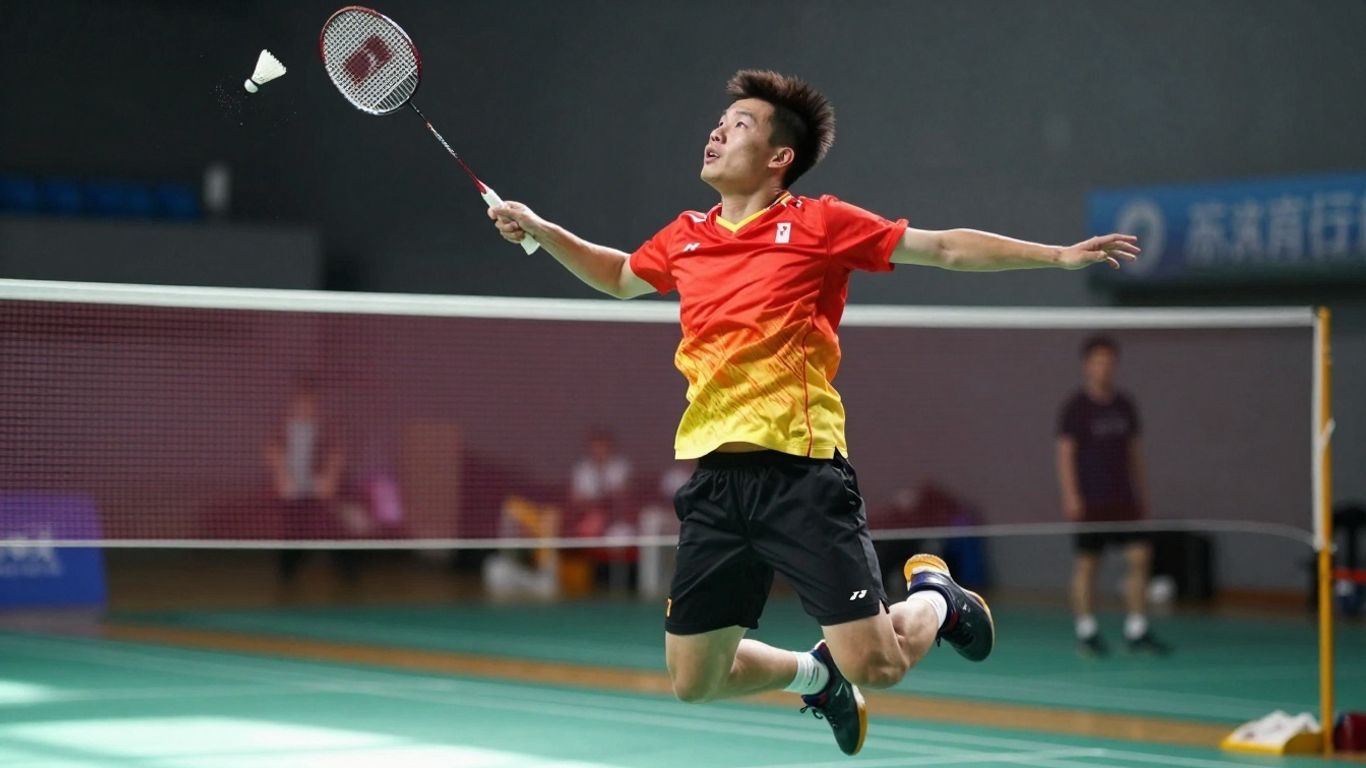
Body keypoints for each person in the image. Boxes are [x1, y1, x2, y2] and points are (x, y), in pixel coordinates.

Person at [488, 70, 1138, 755]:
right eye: (720, 120)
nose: (717, 130)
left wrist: (1058, 257)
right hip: (714, 484)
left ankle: (937, 599)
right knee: (695, 679)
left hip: (802, 477)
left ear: (779, 158)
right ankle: (815, 678)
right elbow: (619, 275)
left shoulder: (818, 224)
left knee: (879, 665)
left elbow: (942, 247)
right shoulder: (685, 238)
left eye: (739, 124)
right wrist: (539, 231)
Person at [1055, 336, 1171, 656]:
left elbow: (1135, 453)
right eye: (1097, 361)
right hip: (1091, 501)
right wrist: (1071, 496)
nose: (1104, 367)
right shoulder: (1075, 408)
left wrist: (1142, 492)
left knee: (1140, 558)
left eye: (1109, 361)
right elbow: (1065, 454)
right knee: (1088, 566)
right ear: (1087, 365)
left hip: (1124, 499)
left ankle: (1137, 629)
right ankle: (1087, 630)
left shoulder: (1125, 405)